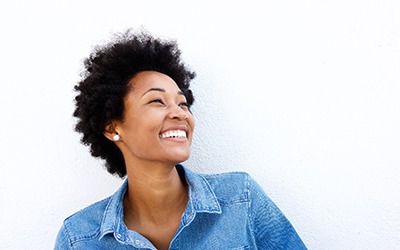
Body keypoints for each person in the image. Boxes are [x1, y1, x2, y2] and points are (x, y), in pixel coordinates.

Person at [54, 29, 307, 250]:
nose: (179, 113)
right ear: (112, 127)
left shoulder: (241, 198)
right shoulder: (79, 238)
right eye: (157, 101)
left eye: (183, 103)